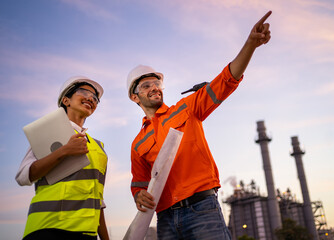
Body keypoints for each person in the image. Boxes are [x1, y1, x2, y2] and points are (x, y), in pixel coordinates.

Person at [127, 11, 272, 240]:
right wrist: (138, 196)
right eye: (146, 85)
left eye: (157, 83)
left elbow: (226, 80)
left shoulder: (186, 108)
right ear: (135, 97)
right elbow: (139, 184)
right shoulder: (138, 144)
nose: (155, 88)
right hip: (165, 219)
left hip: (202, 209)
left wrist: (251, 44)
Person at [16, 76, 110, 240]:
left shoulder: (99, 148)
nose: (91, 98)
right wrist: (63, 151)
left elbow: (98, 201)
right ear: (66, 100)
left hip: (87, 234)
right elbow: (24, 176)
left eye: (95, 98)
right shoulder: (48, 132)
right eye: (83, 92)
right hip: (48, 230)